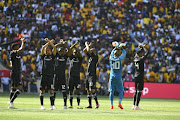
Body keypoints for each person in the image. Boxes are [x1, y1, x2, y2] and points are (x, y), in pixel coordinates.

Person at [52, 39, 72, 109]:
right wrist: (60, 44)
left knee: (64, 91)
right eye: (59, 50)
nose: (60, 52)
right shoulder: (56, 55)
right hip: (56, 76)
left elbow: (70, 51)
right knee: (54, 91)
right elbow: (54, 48)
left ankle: (65, 105)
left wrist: (66, 45)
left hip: (62, 76)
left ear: (63, 51)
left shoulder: (65, 56)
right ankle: (53, 105)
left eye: (61, 51)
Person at [8, 38, 26, 109]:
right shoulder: (13, 53)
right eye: (17, 46)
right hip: (15, 73)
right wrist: (23, 42)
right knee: (20, 89)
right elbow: (22, 48)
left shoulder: (16, 55)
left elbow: (22, 48)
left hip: (16, 72)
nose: (18, 47)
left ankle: (10, 103)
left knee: (13, 89)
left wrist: (24, 43)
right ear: (14, 48)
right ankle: (11, 102)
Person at [39, 38, 56, 110]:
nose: (47, 51)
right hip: (44, 75)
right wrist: (49, 42)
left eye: (48, 50)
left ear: (50, 51)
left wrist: (49, 42)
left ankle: (52, 105)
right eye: (46, 50)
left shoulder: (53, 56)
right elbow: (43, 47)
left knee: (51, 90)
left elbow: (54, 47)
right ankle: (42, 105)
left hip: (50, 75)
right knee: (42, 90)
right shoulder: (43, 57)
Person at [109, 42, 126, 109]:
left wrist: (115, 48)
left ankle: (111, 105)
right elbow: (124, 53)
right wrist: (121, 48)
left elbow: (111, 53)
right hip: (118, 77)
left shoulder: (111, 58)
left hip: (112, 76)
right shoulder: (120, 59)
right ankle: (119, 102)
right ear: (119, 54)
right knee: (121, 90)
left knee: (111, 91)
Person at [83, 42, 99, 109]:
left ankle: (97, 103)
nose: (90, 51)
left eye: (92, 50)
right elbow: (84, 50)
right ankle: (90, 105)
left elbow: (88, 50)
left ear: (94, 52)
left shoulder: (95, 57)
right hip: (88, 74)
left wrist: (86, 44)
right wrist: (88, 46)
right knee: (88, 90)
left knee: (92, 89)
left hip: (92, 75)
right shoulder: (90, 57)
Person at [132, 44, 148, 110]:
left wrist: (140, 48)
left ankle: (133, 105)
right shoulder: (141, 60)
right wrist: (143, 47)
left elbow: (136, 54)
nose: (142, 54)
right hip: (140, 76)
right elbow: (147, 53)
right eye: (141, 53)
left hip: (135, 76)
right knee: (139, 91)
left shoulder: (135, 59)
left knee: (136, 91)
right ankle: (137, 106)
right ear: (140, 54)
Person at [68, 41, 83, 109]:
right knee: (71, 90)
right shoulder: (71, 58)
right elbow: (69, 50)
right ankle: (71, 104)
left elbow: (79, 53)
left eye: (76, 52)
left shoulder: (80, 59)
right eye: (74, 52)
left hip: (77, 77)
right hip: (71, 76)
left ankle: (78, 104)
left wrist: (76, 48)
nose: (75, 53)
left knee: (78, 90)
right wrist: (74, 45)